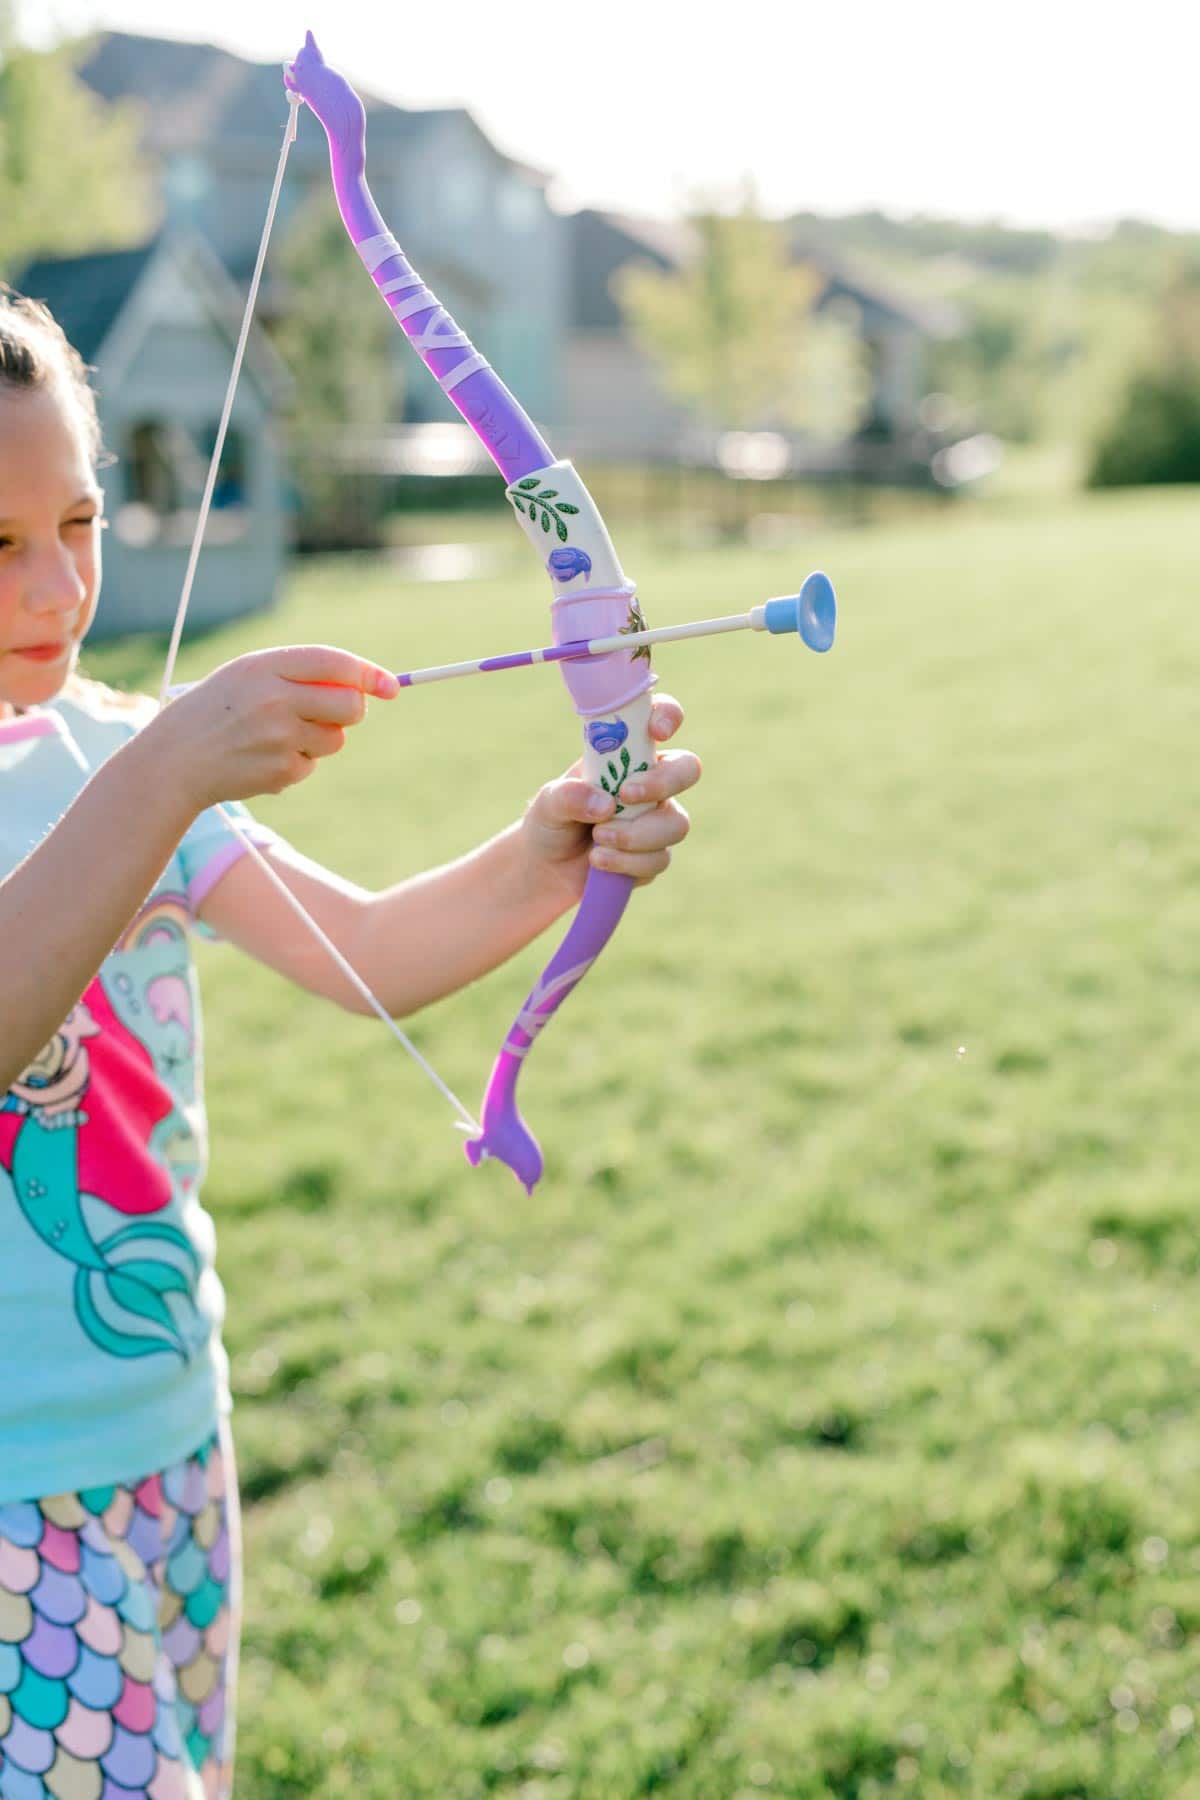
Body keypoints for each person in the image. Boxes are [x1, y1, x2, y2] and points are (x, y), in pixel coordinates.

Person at [0, 290, 700, 1800]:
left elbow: (370, 951)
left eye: (78, 519)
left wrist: (553, 854)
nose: (54, 586)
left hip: (171, 1421)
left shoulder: (121, 752)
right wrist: (173, 766)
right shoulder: (146, 769)